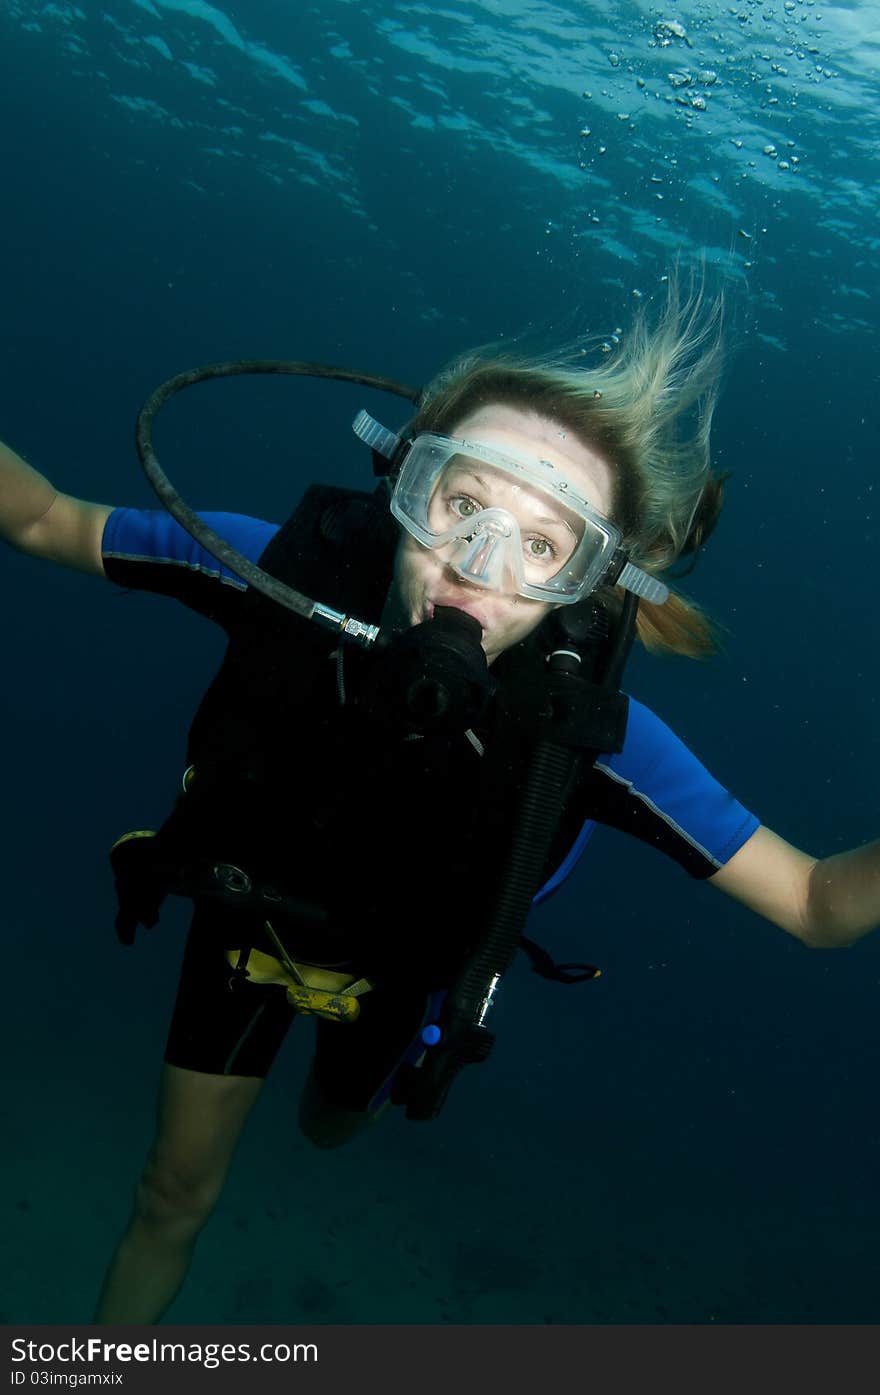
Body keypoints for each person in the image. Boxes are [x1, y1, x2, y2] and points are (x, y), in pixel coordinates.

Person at [3, 285, 879, 1327]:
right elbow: (45, 516)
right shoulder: (268, 571)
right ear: (400, 486)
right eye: (460, 504)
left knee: (332, 1126)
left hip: (406, 978)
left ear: (589, 583)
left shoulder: (589, 737)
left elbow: (822, 904)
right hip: (249, 925)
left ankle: (347, 1095)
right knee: (170, 1194)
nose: (477, 568)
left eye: (541, 547)